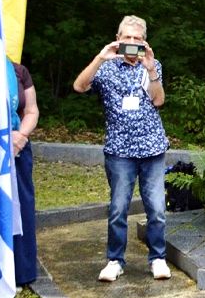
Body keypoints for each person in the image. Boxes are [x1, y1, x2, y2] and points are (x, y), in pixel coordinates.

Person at [72, 15, 170, 282]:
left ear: (144, 42)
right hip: (119, 151)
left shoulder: (152, 65)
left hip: (152, 148)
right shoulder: (106, 68)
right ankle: (115, 260)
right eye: (126, 37)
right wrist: (101, 57)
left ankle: (158, 258)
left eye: (137, 39)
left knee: (157, 209)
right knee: (118, 209)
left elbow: (159, 100)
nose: (131, 43)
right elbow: (79, 86)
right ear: (117, 39)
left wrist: (151, 69)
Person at [11, 61, 39, 287]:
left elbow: (31, 109)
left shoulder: (18, 71)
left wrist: (21, 135)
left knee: (21, 206)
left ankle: (22, 271)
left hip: (18, 145)